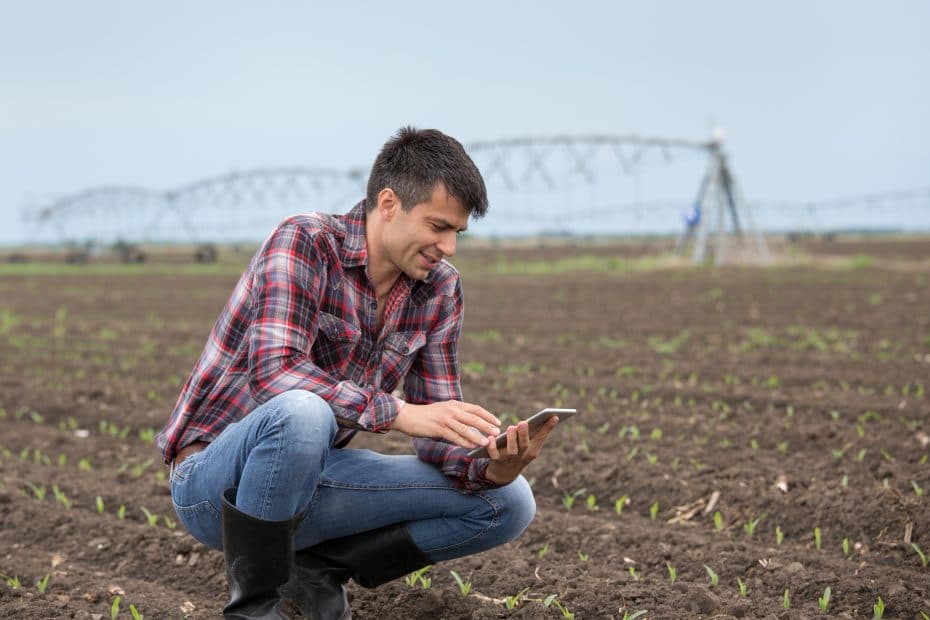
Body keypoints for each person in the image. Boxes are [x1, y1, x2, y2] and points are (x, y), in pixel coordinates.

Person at [155, 127, 561, 619]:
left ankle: (315, 568)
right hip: (217, 486)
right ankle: (255, 610)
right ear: (388, 203)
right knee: (303, 413)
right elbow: (274, 374)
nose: (449, 247)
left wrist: (492, 466)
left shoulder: (439, 291)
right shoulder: (306, 241)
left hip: (311, 478)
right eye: (437, 226)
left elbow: (439, 432)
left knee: (509, 502)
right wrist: (401, 414)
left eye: (457, 232)